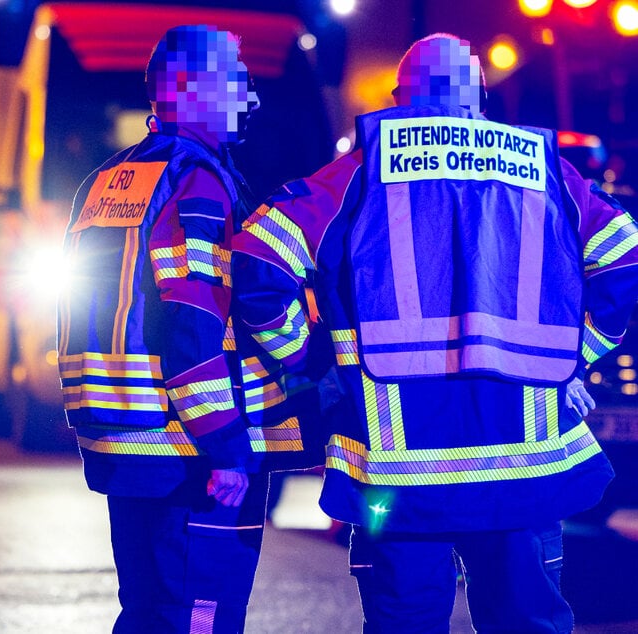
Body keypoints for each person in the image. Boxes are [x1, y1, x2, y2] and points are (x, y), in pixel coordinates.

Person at [232, 33, 638, 632]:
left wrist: (312, 359)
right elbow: (623, 253)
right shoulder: (536, 167)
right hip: (519, 475)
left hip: (398, 481)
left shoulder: (365, 168)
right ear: (474, 96)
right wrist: (573, 358)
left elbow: (261, 260)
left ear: (402, 98)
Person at [57, 25, 325, 633]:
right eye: (236, 80)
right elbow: (192, 324)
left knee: (147, 614)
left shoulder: (106, 180)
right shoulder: (197, 184)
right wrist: (225, 445)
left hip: (123, 440)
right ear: (185, 88)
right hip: (190, 452)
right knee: (198, 619)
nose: (250, 99)